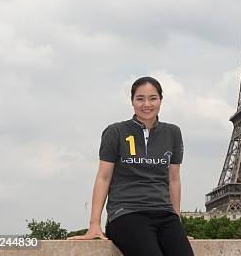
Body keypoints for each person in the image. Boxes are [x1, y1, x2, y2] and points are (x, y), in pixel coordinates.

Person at [69, 76, 194, 256]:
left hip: (164, 214)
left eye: (153, 98)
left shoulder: (173, 132)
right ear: (132, 101)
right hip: (126, 213)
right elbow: (104, 177)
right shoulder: (115, 132)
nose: (146, 104)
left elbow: (174, 179)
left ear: (160, 100)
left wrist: (177, 226)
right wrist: (94, 225)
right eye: (140, 98)